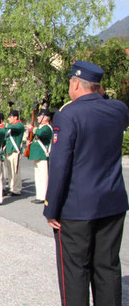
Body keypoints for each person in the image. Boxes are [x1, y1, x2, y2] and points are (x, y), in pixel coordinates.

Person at [44, 61, 129, 306]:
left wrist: (51, 207)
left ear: (75, 83)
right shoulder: (118, 109)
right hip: (112, 202)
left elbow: (60, 166)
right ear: (98, 86)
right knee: (108, 267)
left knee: (75, 271)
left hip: (76, 207)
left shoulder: (68, 114)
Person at [25, 109, 52, 204]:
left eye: (40, 116)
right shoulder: (40, 127)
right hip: (37, 155)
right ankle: (40, 195)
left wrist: (32, 128)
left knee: (43, 177)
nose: (38, 117)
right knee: (38, 177)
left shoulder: (47, 128)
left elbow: (40, 133)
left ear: (45, 117)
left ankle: (44, 196)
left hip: (43, 155)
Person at [3, 109, 24, 197]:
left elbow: (16, 128)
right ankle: (12, 188)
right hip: (9, 150)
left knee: (15, 171)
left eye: (10, 117)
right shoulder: (11, 126)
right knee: (10, 171)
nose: (9, 119)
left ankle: (16, 189)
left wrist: (5, 125)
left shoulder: (19, 124)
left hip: (15, 150)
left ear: (15, 117)